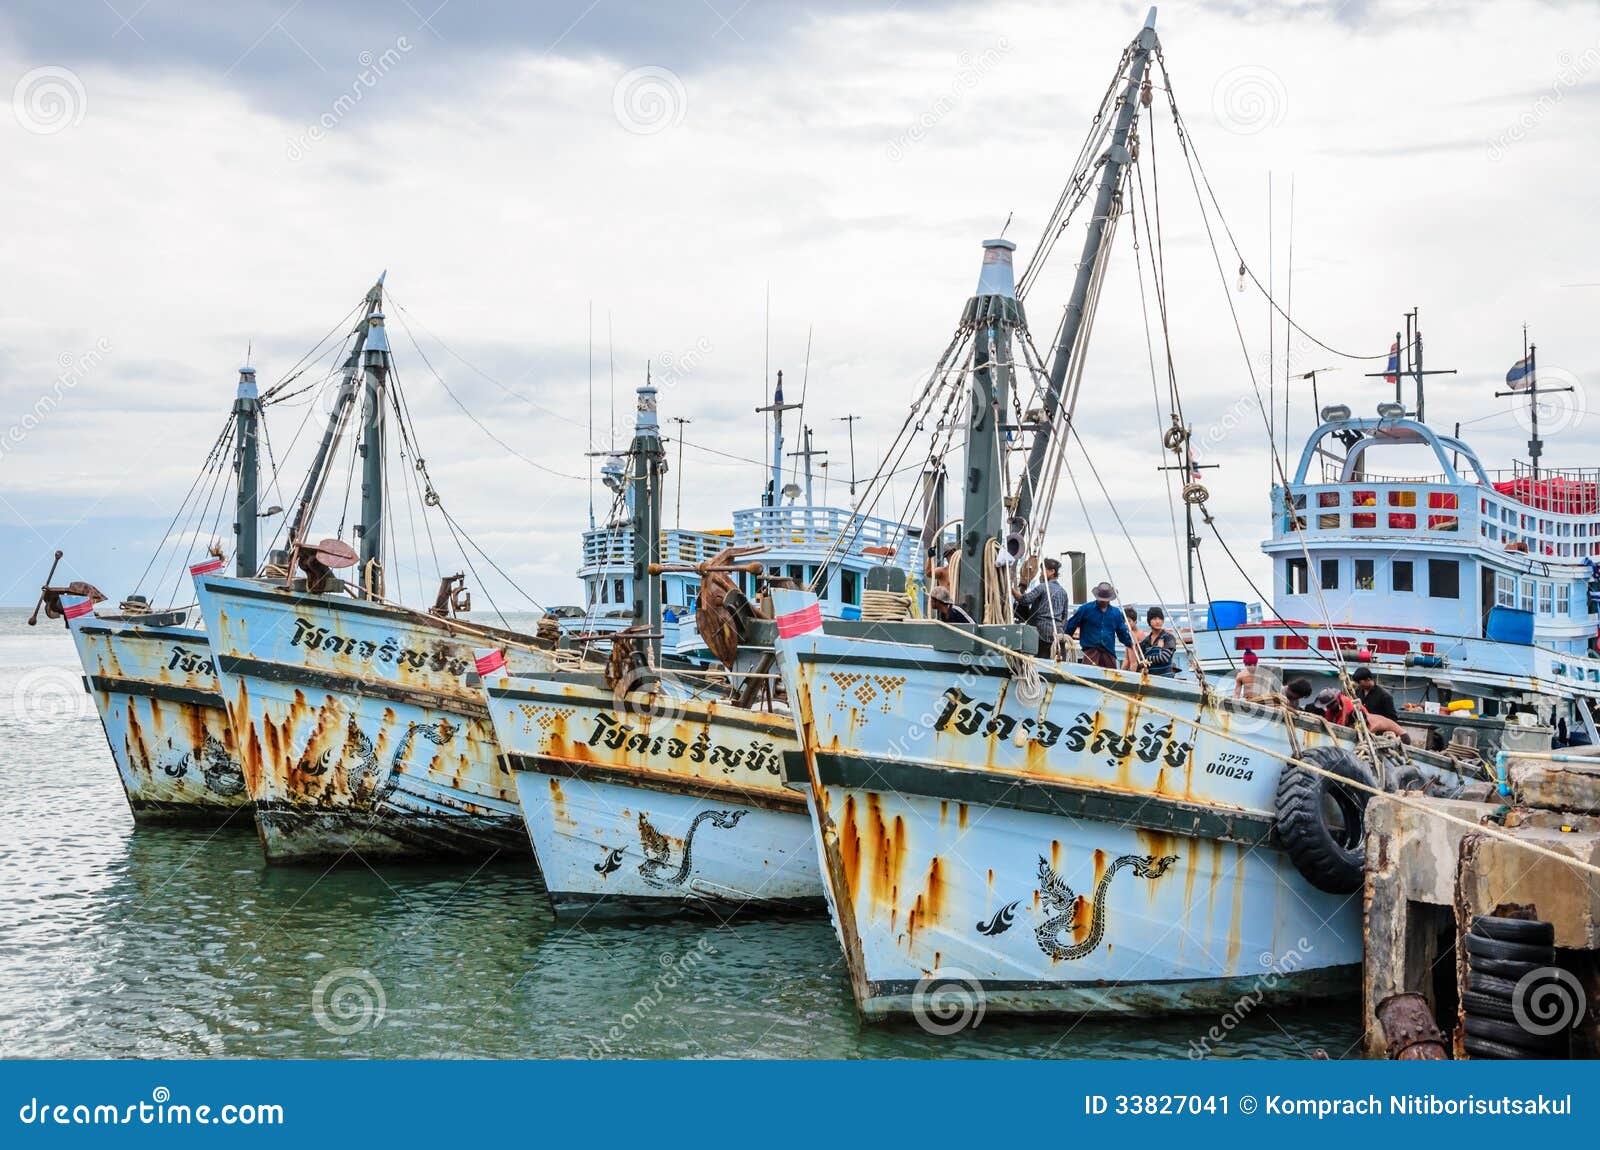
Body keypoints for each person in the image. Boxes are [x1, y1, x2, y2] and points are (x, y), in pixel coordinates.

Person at [1061, 581, 1134, 669]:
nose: (1103, 601)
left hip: (1108, 652)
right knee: (1088, 674)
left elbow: (1122, 632)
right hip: (1090, 652)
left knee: (1110, 677)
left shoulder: (1116, 613)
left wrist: (1130, 643)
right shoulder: (1085, 609)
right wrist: (1064, 639)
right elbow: (1071, 625)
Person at [1012, 557, 1070, 658]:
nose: (1041, 574)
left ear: (1052, 571)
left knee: (1038, 661)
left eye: (1043, 571)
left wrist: (1010, 588)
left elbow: (1023, 600)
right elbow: (1064, 619)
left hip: (1040, 634)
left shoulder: (1042, 587)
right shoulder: (1063, 592)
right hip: (1057, 634)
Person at [1139, 606, 1178, 677]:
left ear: (1163, 620)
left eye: (1160, 618)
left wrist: (1147, 659)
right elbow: (1140, 662)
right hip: (1150, 679)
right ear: (1149, 621)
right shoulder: (1145, 641)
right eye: (1154, 619)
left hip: (1165, 679)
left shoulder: (1168, 638)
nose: (1158, 621)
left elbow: (1164, 658)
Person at [1122, 607, 1145, 671]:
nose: (1126, 624)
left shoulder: (1136, 635)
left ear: (1135, 622)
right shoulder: (1130, 634)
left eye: (1129, 621)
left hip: (1139, 670)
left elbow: (1134, 662)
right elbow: (1127, 659)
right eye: (1124, 621)